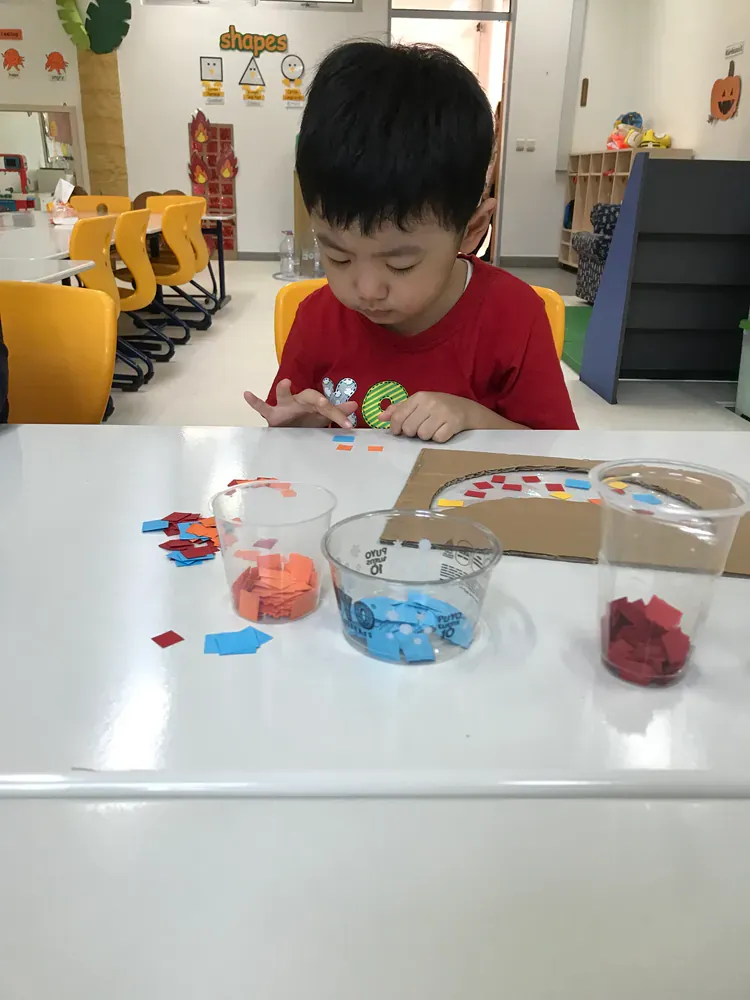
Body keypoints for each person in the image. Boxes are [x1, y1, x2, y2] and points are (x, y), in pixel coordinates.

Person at [245, 41, 577, 441]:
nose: (366, 290)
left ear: (472, 230)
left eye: (400, 264)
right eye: (338, 256)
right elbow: (289, 428)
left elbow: (557, 451)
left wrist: (471, 416)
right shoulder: (317, 318)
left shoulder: (514, 317)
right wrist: (298, 426)